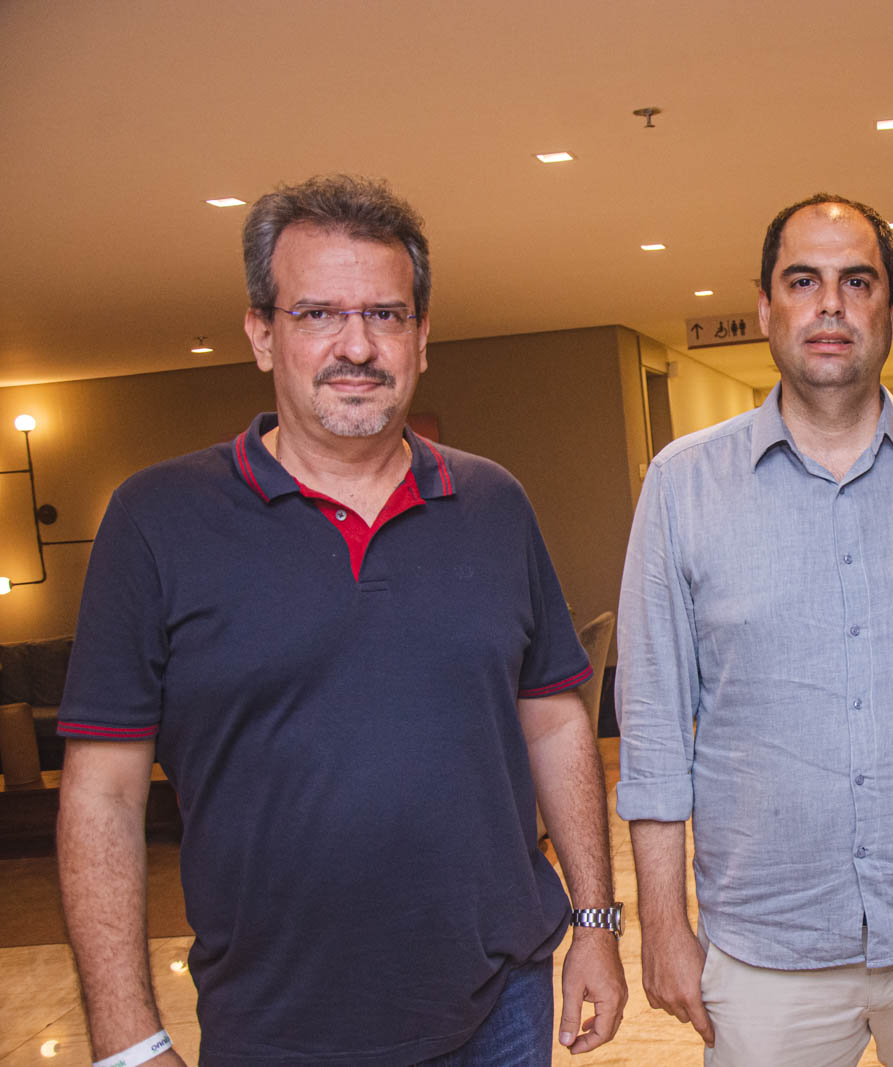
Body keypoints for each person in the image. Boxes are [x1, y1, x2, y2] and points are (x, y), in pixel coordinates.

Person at [55, 174, 626, 1066]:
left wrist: (594, 920)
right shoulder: (156, 519)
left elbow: (553, 722)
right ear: (261, 333)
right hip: (278, 1026)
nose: (357, 345)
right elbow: (103, 793)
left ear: (421, 337)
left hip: (501, 1009)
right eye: (318, 313)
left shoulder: (492, 501)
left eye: (386, 315)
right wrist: (128, 1040)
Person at [616, 193, 893, 1066]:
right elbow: (655, 728)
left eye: (857, 281)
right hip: (767, 947)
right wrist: (662, 924)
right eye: (802, 281)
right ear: (765, 305)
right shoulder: (681, 485)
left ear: (892, 305)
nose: (830, 305)